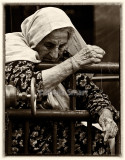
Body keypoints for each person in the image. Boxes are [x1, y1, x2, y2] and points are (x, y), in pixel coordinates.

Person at [5, 7, 119, 155]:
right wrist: (73, 64)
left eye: (62, 45)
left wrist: (105, 114)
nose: (54, 54)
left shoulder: (63, 57)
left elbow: (84, 92)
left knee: (97, 140)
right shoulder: (13, 50)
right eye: (49, 45)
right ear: (35, 37)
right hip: (20, 137)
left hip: (57, 133)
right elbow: (27, 86)